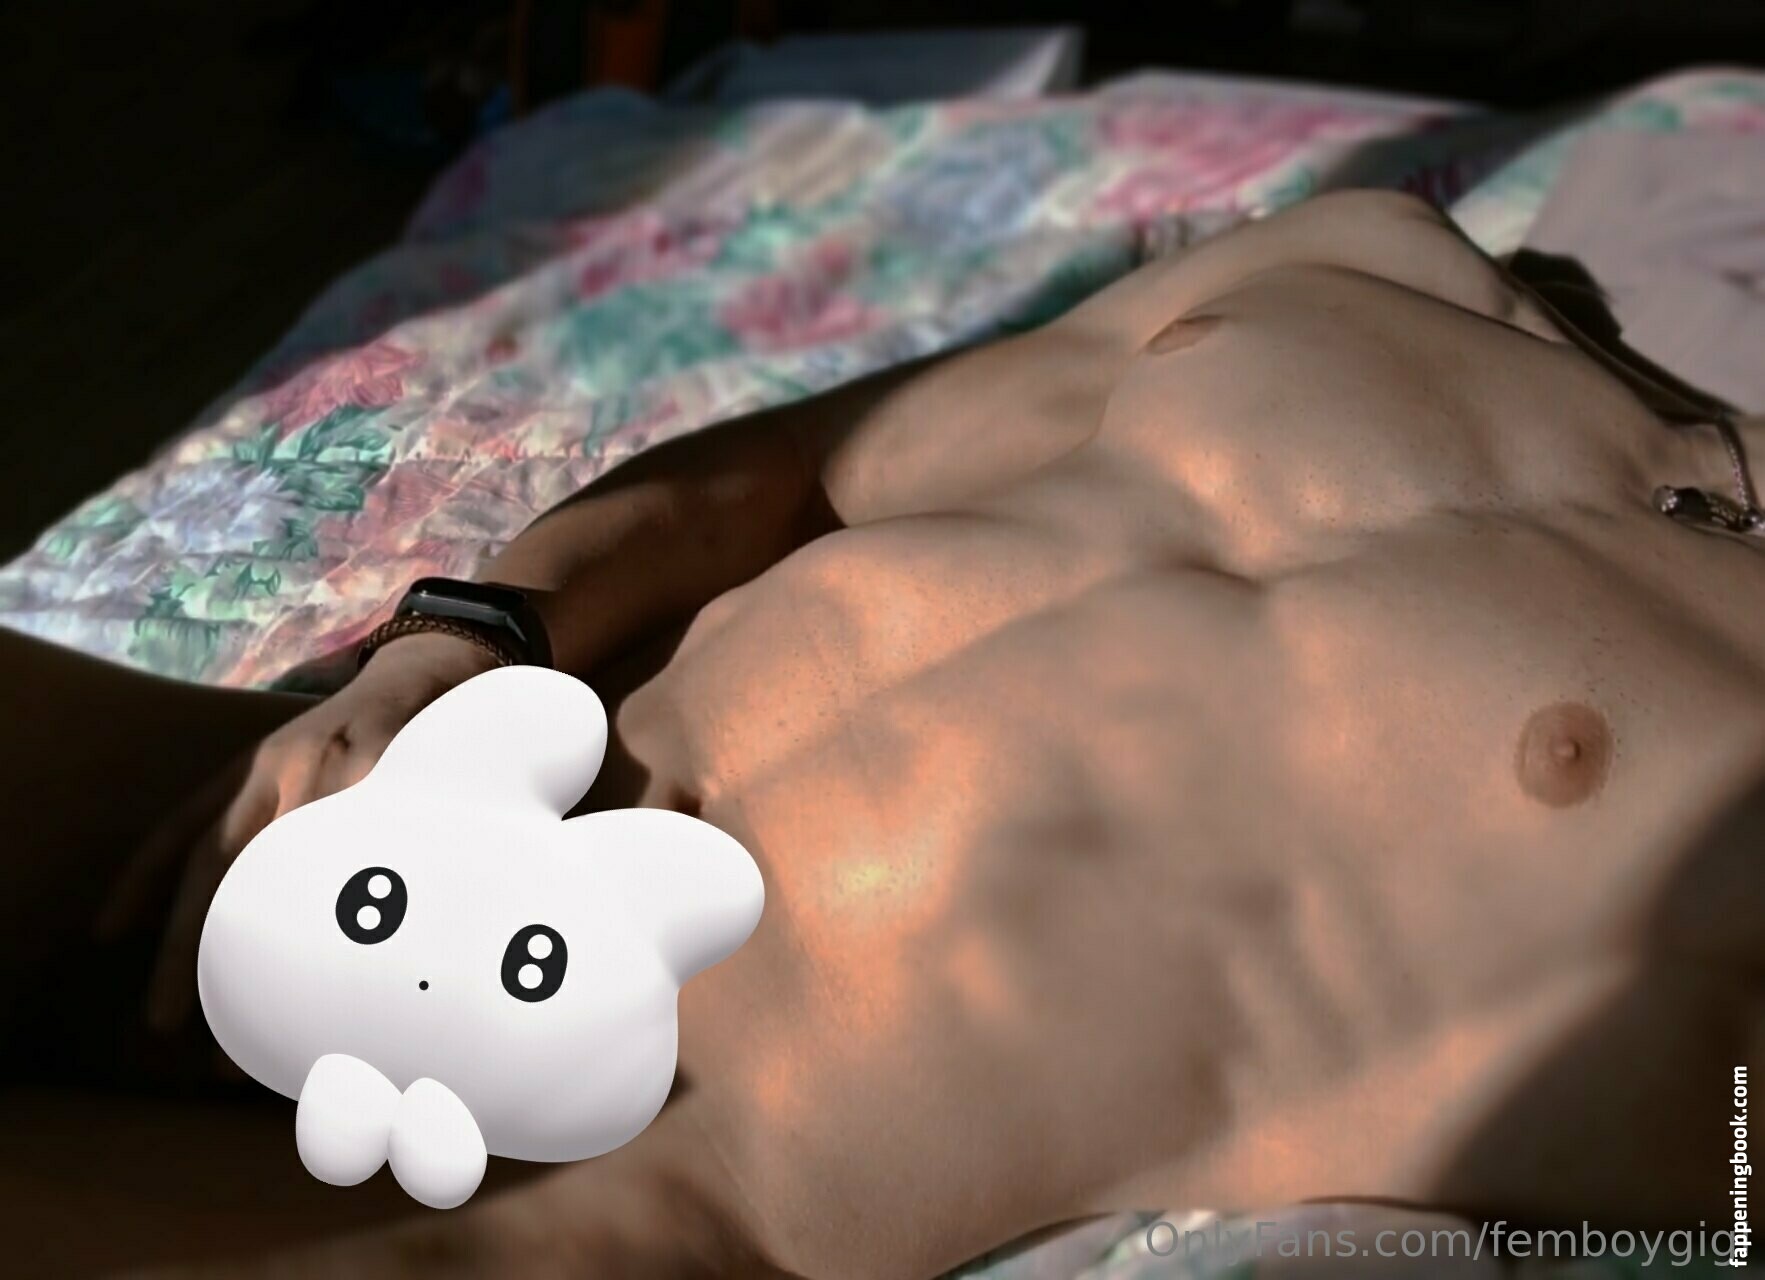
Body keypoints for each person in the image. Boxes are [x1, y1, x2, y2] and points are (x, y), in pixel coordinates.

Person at [2, 190, 1761, 1278]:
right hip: (407, 813)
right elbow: (800, 464)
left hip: (641, 1178)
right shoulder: (1378, 261)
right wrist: (457, 637)